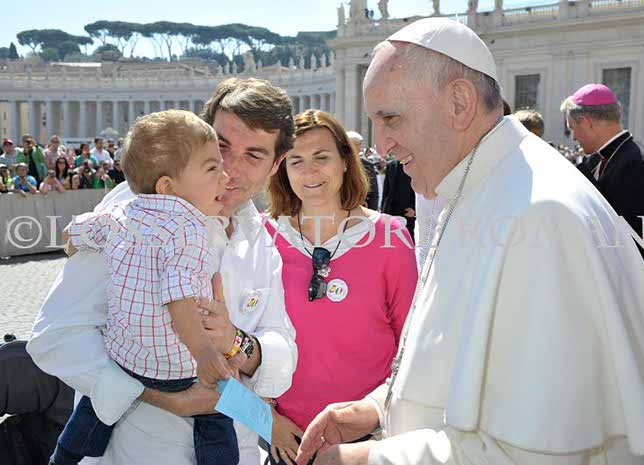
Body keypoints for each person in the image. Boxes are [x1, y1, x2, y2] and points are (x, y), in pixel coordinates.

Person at [293, 18, 644, 465]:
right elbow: (457, 360)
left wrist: (362, 460)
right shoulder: (477, 185)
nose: (381, 144)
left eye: (390, 118)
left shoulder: (540, 215)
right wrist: (377, 408)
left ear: (459, 102)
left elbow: (531, 452)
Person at [27, 76, 298, 465]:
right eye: (221, 149)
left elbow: (277, 359)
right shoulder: (136, 211)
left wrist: (234, 341)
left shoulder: (260, 239)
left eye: (253, 156)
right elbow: (55, 337)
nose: (230, 170)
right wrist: (164, 399)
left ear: (276, 165)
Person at [51, 110, 237, 465]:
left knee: (92, 414)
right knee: (217, 417)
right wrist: (205, 355)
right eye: (213, 168)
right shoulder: (190, 228)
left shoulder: (121, 213)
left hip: (124, 358)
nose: (225, 176)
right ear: (168, 187)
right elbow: (178, 299)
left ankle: (63, 457)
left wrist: (74, 246)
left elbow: (72, 235)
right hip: (177, 368)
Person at [264, 109, 417, 465]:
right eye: (296, 161)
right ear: (283, 170)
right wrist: (265, 419)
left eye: (322, 157)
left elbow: (412, 347)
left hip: (365, 440)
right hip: (284, 440)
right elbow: (228, 349)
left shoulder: (390, 236)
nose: (310, 171)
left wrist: (374, 416)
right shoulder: (261, 237)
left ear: (346, 161)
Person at [561, 84, 644, 263]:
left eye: (572, 128)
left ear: (586, 122)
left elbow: (643, 245)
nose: (573, 137)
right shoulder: (603, 159)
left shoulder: (636, 164)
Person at [381, 158, 415, 238]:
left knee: (407, 238)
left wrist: (414, 208)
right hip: (391, 210)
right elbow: (386, 189)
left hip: (407, 211)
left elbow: (418, 188)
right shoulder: (391, 165)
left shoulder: (413, 163)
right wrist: (383, 209)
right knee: (390, 238)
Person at [346, 131, 380, 210]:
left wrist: (372, 211)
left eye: (359, 144)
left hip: (363, 209)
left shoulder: (368, 166)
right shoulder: (339, 164)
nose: (360, 148)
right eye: (358, 145)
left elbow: (373, 193)